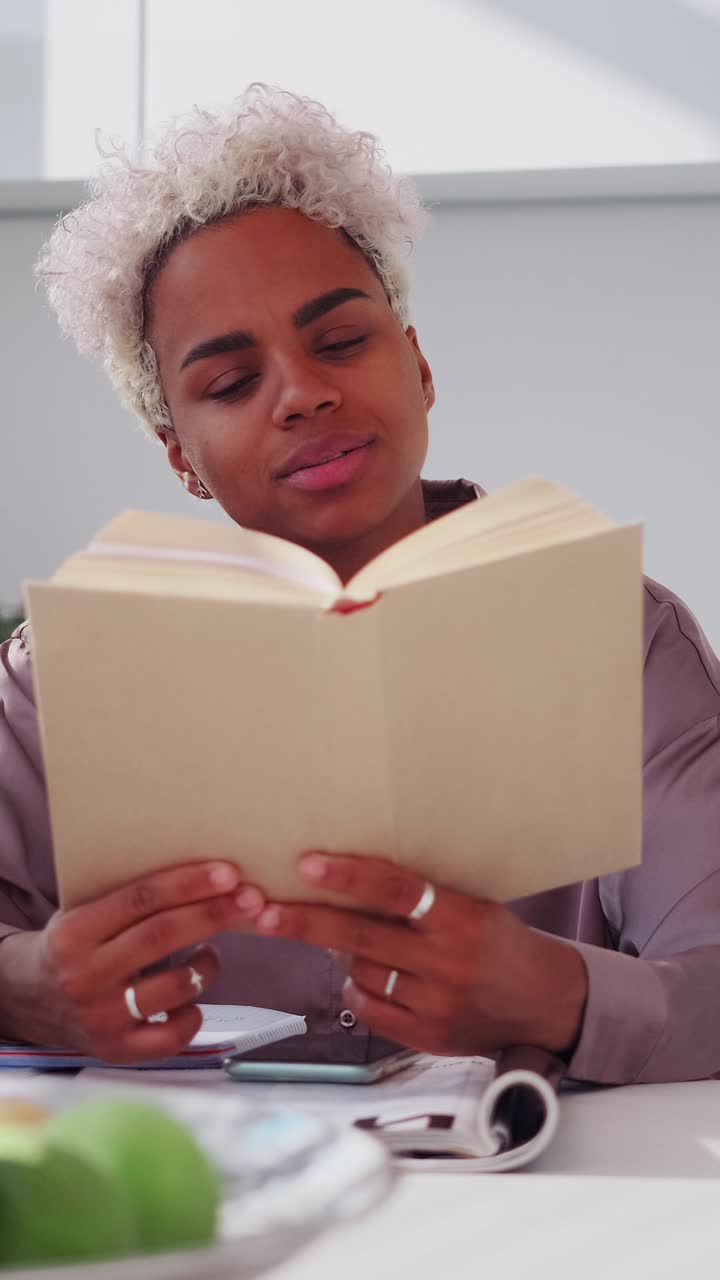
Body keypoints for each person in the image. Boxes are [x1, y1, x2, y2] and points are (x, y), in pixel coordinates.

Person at [1, 86, 719, 1083]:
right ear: (181, 457)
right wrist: (19, 978)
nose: (304, 393)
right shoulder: (54, 686)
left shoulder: (620, 639)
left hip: (537, 1196)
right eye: (231, 382)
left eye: (340, 339)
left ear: (417, 365)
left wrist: (559, 994)